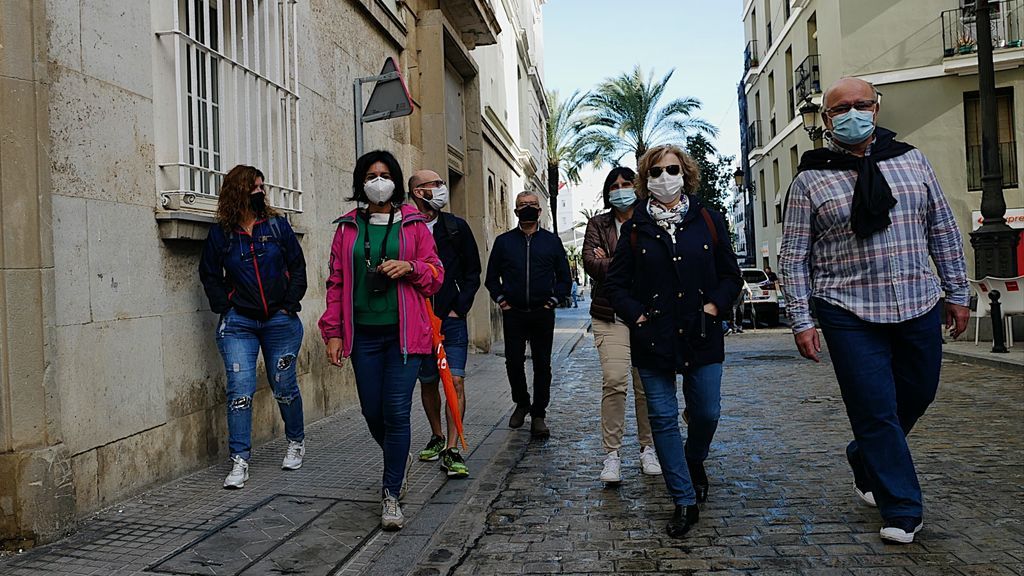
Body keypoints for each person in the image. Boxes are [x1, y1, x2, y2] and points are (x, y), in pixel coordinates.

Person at [779, 77, 969, 545]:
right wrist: (802, 319)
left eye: (860, 104)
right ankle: (902, 508)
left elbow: (942, 228)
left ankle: (864, 457)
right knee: (873, 409)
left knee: (919, 392)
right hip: (847, 309)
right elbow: (793, 256)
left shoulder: (912, 161)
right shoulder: (809, 179)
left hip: (919, 301)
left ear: (877, 109)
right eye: (839, 109)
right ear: (826, 121)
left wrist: (957, 291)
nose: (851, 114)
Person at [605, 144, 742, 538]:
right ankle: (683, 499)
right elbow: (616, 284)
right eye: (656, 172)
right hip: (654, 339)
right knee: (663, 419)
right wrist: (638, 314)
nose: (665, 177)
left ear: (686, 174)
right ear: (646, 180)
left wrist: (715, 307)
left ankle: (694, 458)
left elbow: (730, 276)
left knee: (707, 413)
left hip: (702, 334)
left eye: (672, 169)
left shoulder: (709, 220)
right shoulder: (635, 229)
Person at [319, 150, 444, 530]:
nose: (378, 181)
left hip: (404, 335)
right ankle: (398, 457)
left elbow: (436, 274)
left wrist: (411, 267)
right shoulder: (346, 229)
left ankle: (391, 493)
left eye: (385, 174)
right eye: (371, 175)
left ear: (395, 180)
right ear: (361, 182)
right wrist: (333, 333)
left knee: (395, 410)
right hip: (364, 336)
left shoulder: (414, 225)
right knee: (372, 412)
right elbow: (336, 282)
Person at [199, 165, 308, 489]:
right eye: (254, 187)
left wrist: (289, 304)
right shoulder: (222, 233)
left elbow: (297, 266)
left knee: (283, 386)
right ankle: (240, 460)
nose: (260, 192)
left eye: (262, 186)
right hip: (239, 324)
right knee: (240, 390)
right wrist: (225, 304)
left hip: (280, 320)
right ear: (238, 191)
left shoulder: (277, 226)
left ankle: (296, 441)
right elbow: (209, 273)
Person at [582, 166, 661, 484]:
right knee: (615, 381)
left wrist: (612, 259)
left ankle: (648, 449)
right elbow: (591, 263)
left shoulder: (651, 219)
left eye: (626, 184)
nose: (620, 189)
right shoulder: (598, 224)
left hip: (647, 316)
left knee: (646, 386)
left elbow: (657, 262)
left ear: (637, 187)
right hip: (608, 314)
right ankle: (611, 455)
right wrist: (632, 260)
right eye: (614, 185)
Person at [408, 169, 481, 479]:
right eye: (431, 185)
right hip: (420, 322)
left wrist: (458, 309)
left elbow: (473, 272)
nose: (439, 188)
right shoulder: (406, 227)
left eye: (440, 184)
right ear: (415, 192)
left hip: (451, 322)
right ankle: (438, 436)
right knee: (428, 382)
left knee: (456, 381)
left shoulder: (456, 227)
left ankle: (453, 449)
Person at [485, 191, 571, 438]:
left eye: (532, 205)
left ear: (540, 210)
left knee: (543, 365)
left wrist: (553, 300)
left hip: (542, 314)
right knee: (513, 361)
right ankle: (521, 402)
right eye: (523, 205)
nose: (528, 208)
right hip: (514, 313)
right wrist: (501, 300)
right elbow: (492, 278)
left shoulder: (552, 242)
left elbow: (565, 278)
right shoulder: (504, 242)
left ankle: (539, 415)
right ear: (516, 211)